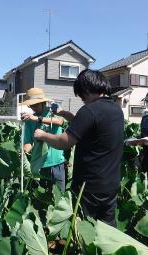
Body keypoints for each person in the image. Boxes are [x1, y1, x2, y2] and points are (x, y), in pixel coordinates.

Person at [33, 69, 124, 227]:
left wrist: (42, 135)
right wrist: (62, 112)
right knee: (108, 231)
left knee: (85, 231)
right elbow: (89, 125)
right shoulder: (116, 110)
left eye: (81, 96)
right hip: (111, 184)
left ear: (86, 90)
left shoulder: (89, 110)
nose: (82, 100)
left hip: (89, 187)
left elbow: (64, 142)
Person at [21, 88, 66, 192]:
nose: (33, 108)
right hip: (39, 165)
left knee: (59, 198)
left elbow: (60, 121)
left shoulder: (53, 112)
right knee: (41, 199)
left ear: (42, 102)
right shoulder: (29, 121)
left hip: (56, 162)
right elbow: (29, 142)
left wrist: (38, 119)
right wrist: (24, 151)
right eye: (31, 105)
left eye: (35, 104)